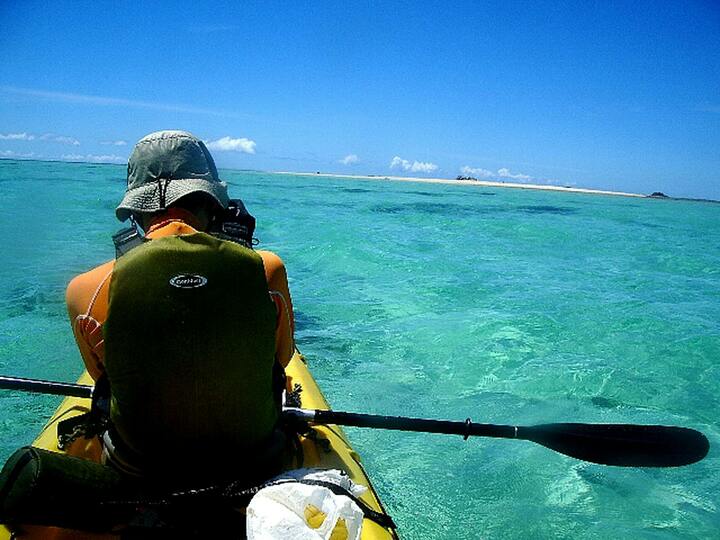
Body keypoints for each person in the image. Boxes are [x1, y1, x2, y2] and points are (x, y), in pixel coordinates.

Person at [65, 130, 295, 482]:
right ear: (213, 202)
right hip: (250, 460)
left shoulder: (84, 290)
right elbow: (279, 360)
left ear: (135, 210)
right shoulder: (266, 270)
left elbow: (106, 379)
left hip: (137, 464)